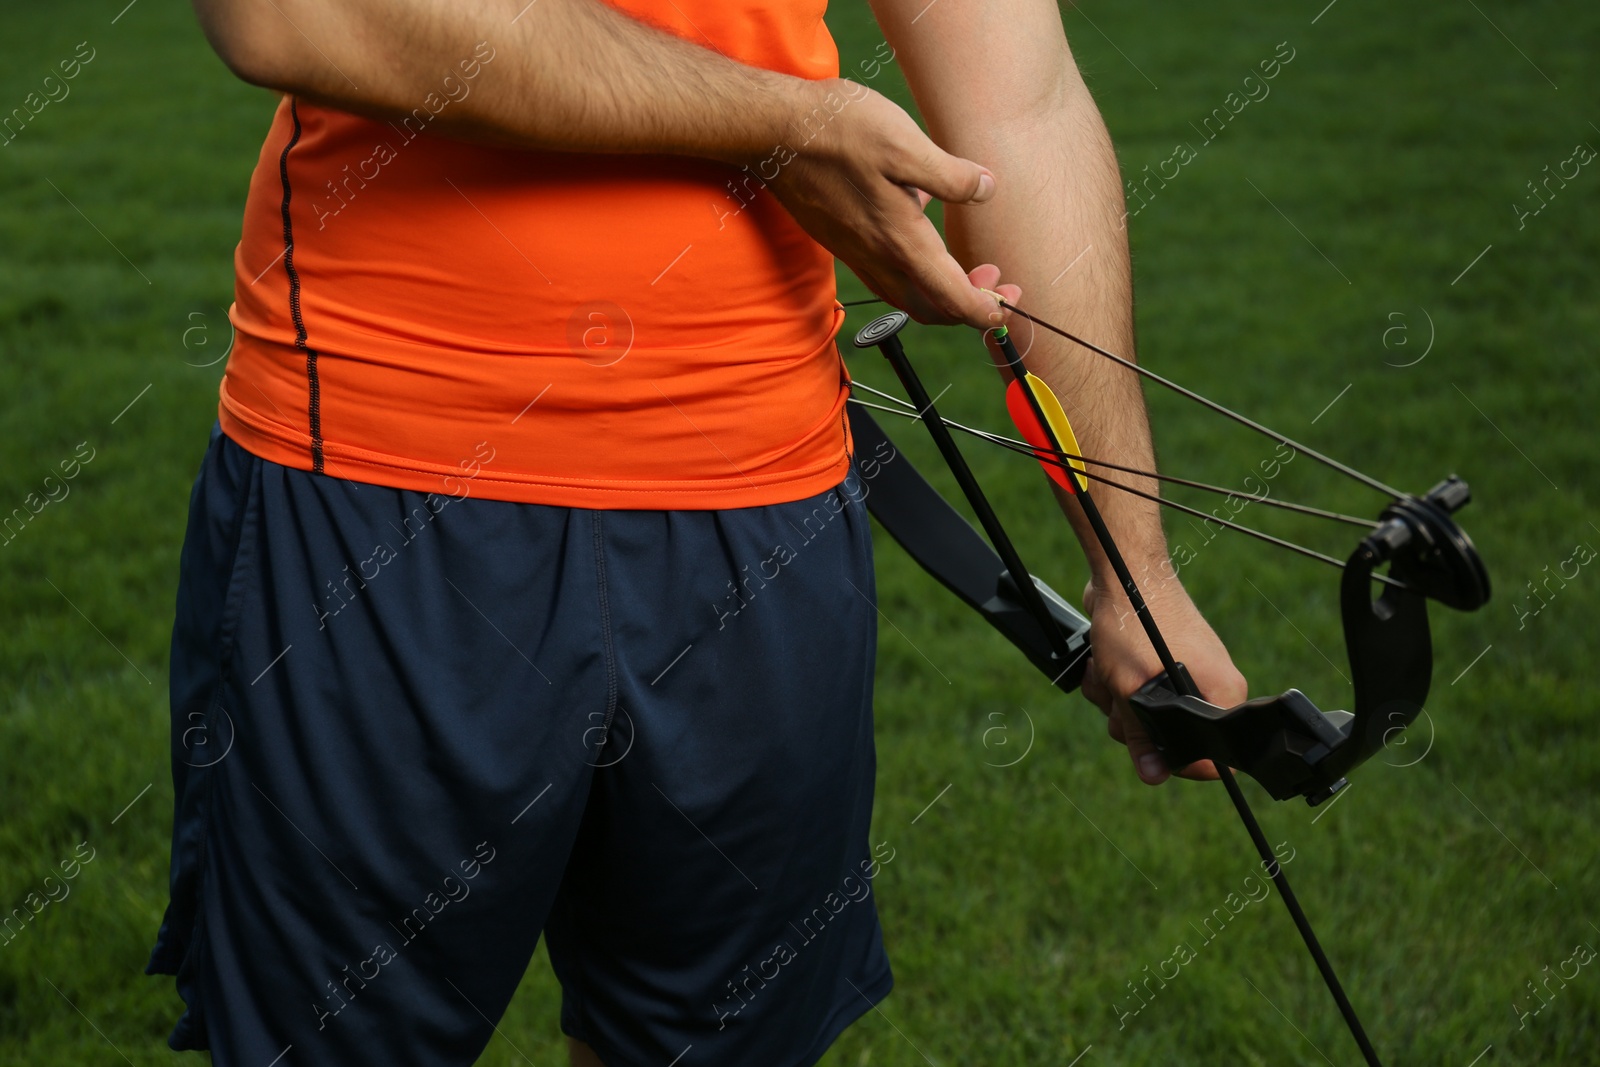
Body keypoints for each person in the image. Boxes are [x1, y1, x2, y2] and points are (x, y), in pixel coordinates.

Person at [148, 0, 1246, 1063]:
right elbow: (291, 15)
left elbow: (1021, 107)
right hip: (382, 488)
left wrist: (1132, 567)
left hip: (764, 511)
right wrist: (777, 121)